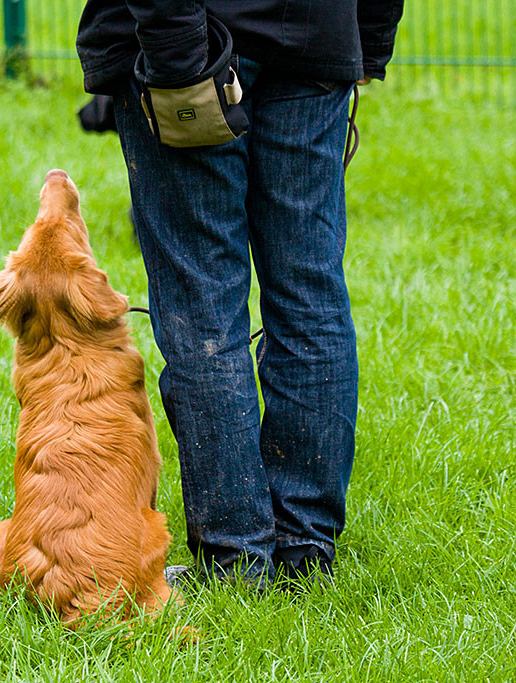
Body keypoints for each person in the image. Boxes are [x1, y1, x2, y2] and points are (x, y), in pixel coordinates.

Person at [75, 1, 404, 588]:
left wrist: (176, 59)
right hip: (314, 37)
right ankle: (303, 550)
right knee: (310, 296)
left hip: (194, 40)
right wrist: (367, 40)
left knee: (204, 309)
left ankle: (237, 560)